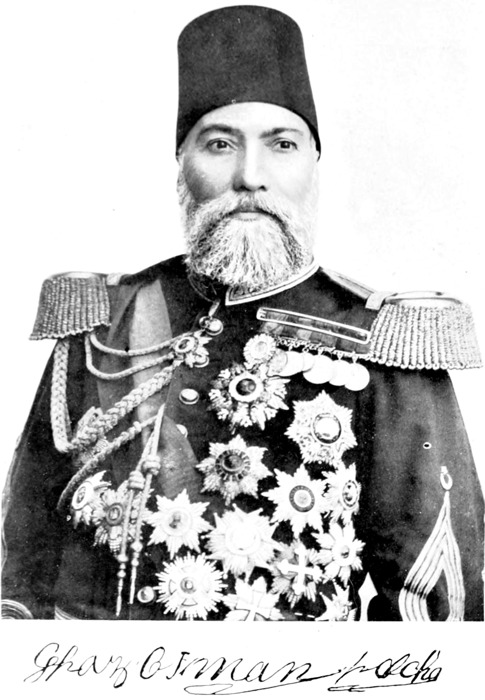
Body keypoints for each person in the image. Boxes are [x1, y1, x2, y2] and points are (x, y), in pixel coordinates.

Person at [1, 5, 483, 621]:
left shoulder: (385, 342)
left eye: (281, 145)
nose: (250, 176)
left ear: (313, 167)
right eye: (220, 144)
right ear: (181, 165)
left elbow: (438, 617)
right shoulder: (101, 324)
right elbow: (21, 574)